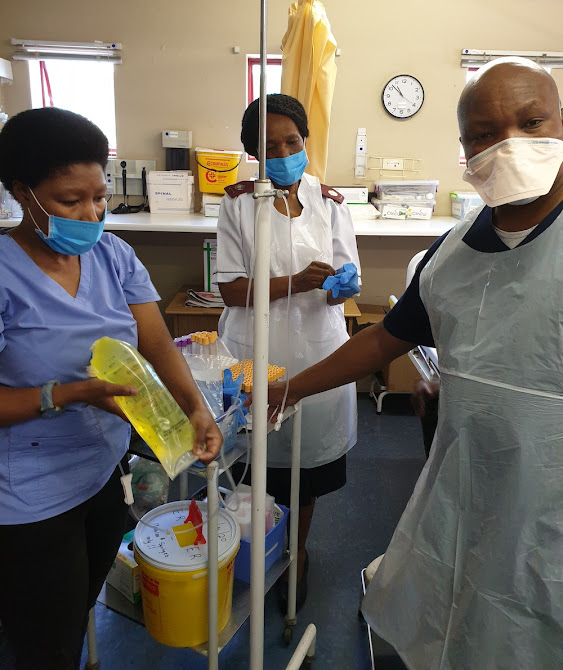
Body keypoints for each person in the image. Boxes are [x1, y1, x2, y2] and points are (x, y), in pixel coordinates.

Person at [265, 59, 562, 668]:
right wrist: (289, 390)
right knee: (466, 610)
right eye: (483, 134)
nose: (507, 145)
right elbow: (383, 341)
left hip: (550, 492)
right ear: (464, 149)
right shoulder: (453, 253)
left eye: (531, 123)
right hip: (467, 478)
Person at [0, 107, 222, 670]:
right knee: (43, 642)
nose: (93, 213)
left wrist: (195, 407)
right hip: (27, 493)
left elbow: (157, 345)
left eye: (99, 196)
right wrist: (66, 395)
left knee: (76, 612)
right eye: (71, 201)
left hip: (100, 471)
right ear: (20, 193)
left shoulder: (112, 256)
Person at [216, 94, 360, 609]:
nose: (282, 153)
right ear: (252, 152)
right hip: (256, 353)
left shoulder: (332, 203)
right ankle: (250, 547)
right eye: (269, 146)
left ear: (306, 141)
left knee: (306, 475)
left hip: (319, 353)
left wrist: (342, 287)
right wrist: (295, 282)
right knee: (255, 466)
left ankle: (296, 552)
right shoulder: (237, 203)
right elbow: (231, 289)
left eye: (291, 142)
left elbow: (347, 275)